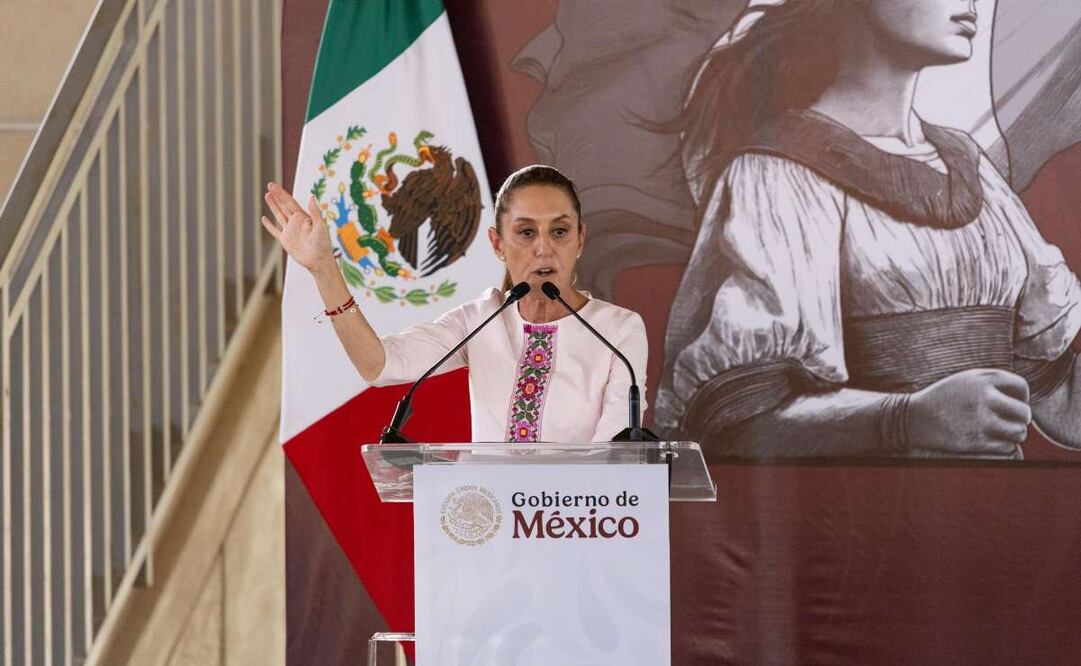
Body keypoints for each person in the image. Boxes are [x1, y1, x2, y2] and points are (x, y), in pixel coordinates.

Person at [654, 0, 1081, 459]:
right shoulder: (778, 173)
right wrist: (904, 418)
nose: (970, 2)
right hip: (861, 511)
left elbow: (1054, 394)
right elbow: (729, 424)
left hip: (985, 513)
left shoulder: (972, 167)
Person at [262, 165, 648, 443]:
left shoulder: (618, 331)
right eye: (526, 232)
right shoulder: (481, 319)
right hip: (493, 537)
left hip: (582, 532)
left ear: (580, 240)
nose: (544, 248)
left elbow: (615, 457)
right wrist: (324, 270)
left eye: (559, 232)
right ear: (498, 244)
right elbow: (377, 365)